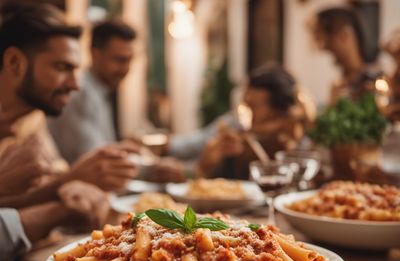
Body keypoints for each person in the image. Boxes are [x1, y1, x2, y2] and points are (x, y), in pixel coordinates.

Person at [0, 2, 139, 210]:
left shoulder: (32, 117)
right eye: (62, 67)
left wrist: (70, 180)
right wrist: (72, 179)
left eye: (75, 70)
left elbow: (54, 181)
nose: (75, 84)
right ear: (14, 62)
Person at [47, 19, 186, 182]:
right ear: (95, 53)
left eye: (129, 60)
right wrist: (153, 168)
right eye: (119, 60)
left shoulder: (99, 92)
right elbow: (99, 165)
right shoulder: (81, 94)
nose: (126, 69)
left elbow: (104, 152)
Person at [170, 64, 310, 179]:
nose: (245, 112)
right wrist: (203, 166)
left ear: (278, 112)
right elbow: (189, 148)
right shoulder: (234, 125)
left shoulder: (297, 138)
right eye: (244, 103)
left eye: (253, 106)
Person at [312, 7, 389, 105]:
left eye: (326, 40)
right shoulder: (339, 87)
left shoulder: (379, 83)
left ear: (345, 35)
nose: (322, 47)